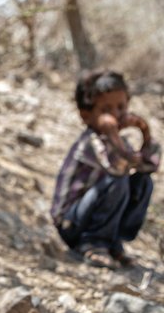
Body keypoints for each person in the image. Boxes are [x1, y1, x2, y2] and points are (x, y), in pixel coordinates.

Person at [50, 70, 161, 269]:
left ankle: (113, 241)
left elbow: (148, 165)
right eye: (106, 110)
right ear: (87, 116)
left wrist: (145, 131)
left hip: (92, 214)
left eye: (121, 107)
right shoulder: (90, 142)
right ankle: (93, 243)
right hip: (72, 223)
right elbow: (116, 167)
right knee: (116, 181)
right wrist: (113, 134)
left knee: (143, 182)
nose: (117, 115)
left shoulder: (120, 142)